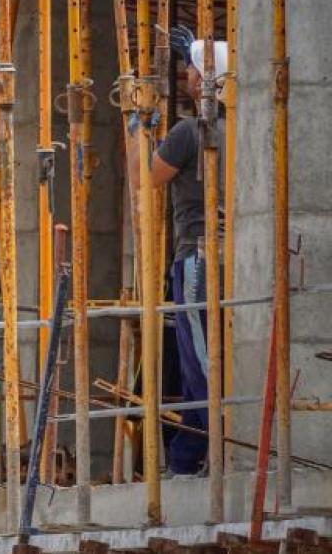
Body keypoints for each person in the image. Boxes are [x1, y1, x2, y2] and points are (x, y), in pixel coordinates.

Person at [144, 25, 227, 475]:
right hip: (236, 255)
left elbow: (148, 178)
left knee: (199, 361)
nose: (188, 75)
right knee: (211, 356)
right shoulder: (243, 129)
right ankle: (186, 457)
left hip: (196, 257)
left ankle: (217, 451)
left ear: (203, 80)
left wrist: (143, 128)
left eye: (193, 68)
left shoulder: (187, 132)